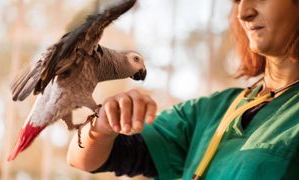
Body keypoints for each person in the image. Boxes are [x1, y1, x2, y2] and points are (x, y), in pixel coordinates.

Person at [67, 0, 299, 179]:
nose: (243, 13)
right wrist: (104, 124)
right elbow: (85, 159)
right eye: (237, 0)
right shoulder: (211, 112)